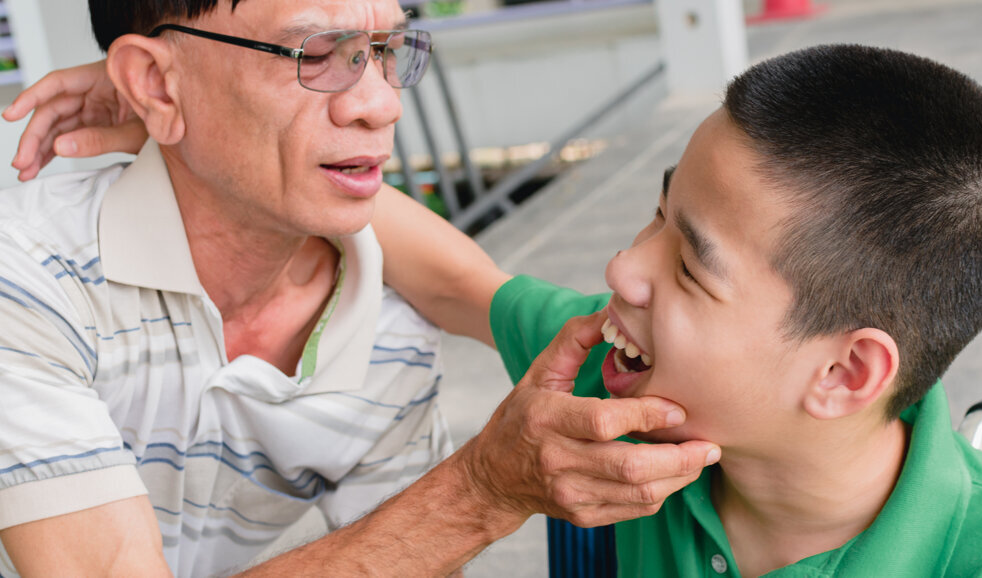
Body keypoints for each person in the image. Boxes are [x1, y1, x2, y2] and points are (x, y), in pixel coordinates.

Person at [17, 35, 982, 578]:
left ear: (847, 372)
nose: (623, 268)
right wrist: (181, 117)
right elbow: (467, 284)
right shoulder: (605, 376)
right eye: (655, 217)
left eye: (688, 267)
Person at [0, 1, 719, 576]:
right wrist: (481, 489)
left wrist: (185, 112)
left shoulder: (388, 332)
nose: (381, 106)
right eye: (316, 53)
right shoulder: (26, 277)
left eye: (383, 51)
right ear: (154, 80)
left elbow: (470, 290)